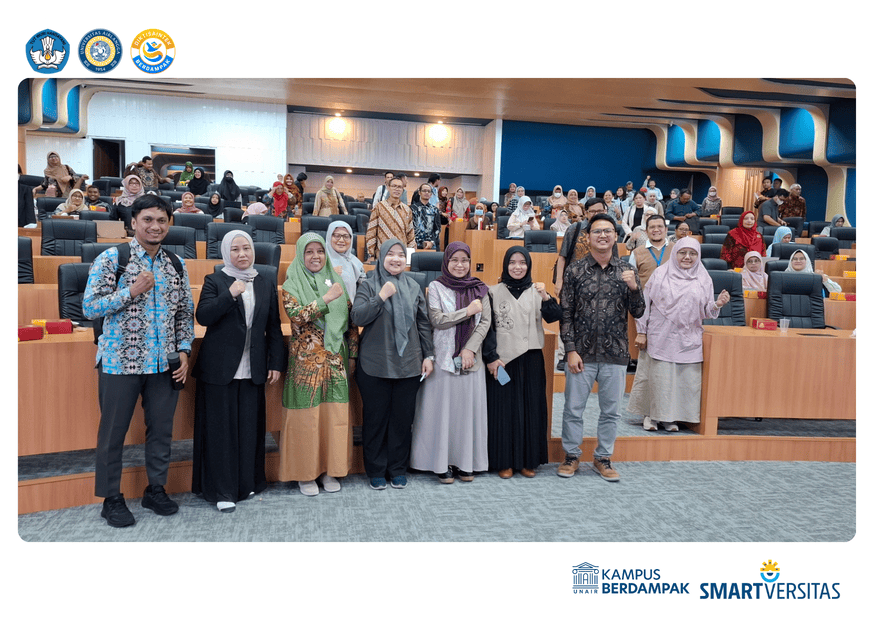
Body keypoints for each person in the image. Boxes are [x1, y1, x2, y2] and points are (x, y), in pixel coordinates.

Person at [82, 194, 194, 527]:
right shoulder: (112, 258)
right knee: (112, 433)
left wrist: (184, 350)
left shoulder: (176, 264)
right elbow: (89, 307)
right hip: (120, 362)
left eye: (161, 220)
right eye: (147, 219)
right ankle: (111, 498)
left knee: (161, 431)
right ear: (133, 222)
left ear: (168, 224)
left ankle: (155, 489)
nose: (155, 226)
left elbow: (184, 312)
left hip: (164, 364)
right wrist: (130, 291)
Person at [191, 231, 284, 512]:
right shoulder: (215, 280)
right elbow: (203, 316)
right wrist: (230, 294)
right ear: (225, 253)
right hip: (220, 370)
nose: (242, 254)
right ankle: (222, 490)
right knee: (221, 432)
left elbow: (274, 326)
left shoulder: (265, 282)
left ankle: (246, 483)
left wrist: (275, 362)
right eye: (235, 249)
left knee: (249, 429)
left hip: (253, 368)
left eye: (246, 248)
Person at [558, 213, 645, 482]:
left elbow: (639, 312)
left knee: (611, 412)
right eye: (597, 231)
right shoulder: (574, 271)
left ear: (616, 236)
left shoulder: (626, 271)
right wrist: (570, 350)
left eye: (608, 231)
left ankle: (603, 457)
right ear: (588, 237)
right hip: (581, 353)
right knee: (573, 409)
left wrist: (634, 288)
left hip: (615, 353)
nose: (603, 235)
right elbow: (566, 314)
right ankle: (571, 456)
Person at [279, 233, 358, 496]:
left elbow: (350, 323)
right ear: (301, 255)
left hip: (335, 360)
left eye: (320, 251)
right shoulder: (291, 283)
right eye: (309, 252)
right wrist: (326, 299)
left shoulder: (336, 281)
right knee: (306, 419)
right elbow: (297, 316)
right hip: (306, 365)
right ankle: (305, 474)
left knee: (333, 419)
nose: (316, 256)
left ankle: (329, 470)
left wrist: (352, 355)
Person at [351, 239, 435, 490]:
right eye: (391, 254)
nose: (396, 259)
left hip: (408, 364)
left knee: (401, 421)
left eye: (401, 255)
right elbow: (357, 317)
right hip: (375, 364)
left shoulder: (414, 286)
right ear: (382, 257)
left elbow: (423, 323)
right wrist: (380, 297)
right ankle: (376, 470)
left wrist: (429, 355)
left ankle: (397, 468)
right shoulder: (368, 284)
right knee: (375, 420)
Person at [627, 237, 729, 432]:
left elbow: (706, 311)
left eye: (692, 253)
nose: (687, 257)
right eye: (683, 252)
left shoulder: (703, 277)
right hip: (660, 334)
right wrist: (641, 331)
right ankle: (651, 416)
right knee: (659, 378)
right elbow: (644, 305)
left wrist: (718, 304)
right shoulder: (660, 274)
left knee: (683, 380)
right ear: (675, 253)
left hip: (688, 336)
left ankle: (670, 417)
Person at [410, 242, 492, 483]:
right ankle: (440, 463)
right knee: (441, 414)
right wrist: (467, 312)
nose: (460, 265)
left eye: (464, 260)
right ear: (446, 262)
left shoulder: (480, 288)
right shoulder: (435, 287)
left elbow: (485, 323)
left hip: (470, 361)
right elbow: (437, 320)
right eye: (454, 260)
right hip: (443, 358)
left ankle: (465, 463)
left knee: (465, 414)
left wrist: (469, 349)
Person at [483, 247, 561, 479]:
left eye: (522, 262)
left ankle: (528, 460)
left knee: (530, 409)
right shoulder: (492, 292)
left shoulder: (537, 291)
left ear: (528, 265)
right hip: (503, 361)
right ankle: (504, 461)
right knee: (503, 411)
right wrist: (491, 357)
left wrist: (546, 296)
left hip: (531, 359)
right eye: (512, 262)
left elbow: (554, 316)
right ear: (505, 265)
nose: (517, 267)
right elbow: (486, 328)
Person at [365, 176, 415, 260]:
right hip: (382, 253)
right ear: (388, 187)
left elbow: (410, 235)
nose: (397, 189)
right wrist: (371, 254)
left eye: (400, 187)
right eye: (394, 186)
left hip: (401, 254)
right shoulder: (379, 207)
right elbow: (371, 232)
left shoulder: (407, 210)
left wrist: (410, 255)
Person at [627, 214, 674, 289]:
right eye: (652, 227)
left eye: (660, 226)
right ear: (646, 231)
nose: (656, 230)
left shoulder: (676, 249)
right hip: (645, 295)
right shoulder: (636, 253)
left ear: (666, 230)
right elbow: (631, 280)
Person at [326, 221, 365, 298]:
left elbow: (364, 287)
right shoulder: (320, 260)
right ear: (329, 236)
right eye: (337, 236)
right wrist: (329, 274)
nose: (341, 240)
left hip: (351, 304)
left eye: (346, 236)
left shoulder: (354, 261)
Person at [411, 184, 441, 249]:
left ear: (431, 194)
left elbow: (437, 228)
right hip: (415, 244)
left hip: (430, 244)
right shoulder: (412, 208)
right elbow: (410, 228)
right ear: (419, 192)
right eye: (424, 191)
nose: (426, 193)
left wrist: (432, 242)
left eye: (429, 191)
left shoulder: (435, 210)